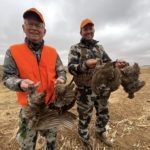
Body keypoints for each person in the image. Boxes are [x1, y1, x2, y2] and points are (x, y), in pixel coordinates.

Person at [2, 8, 66, 150]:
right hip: (29, 109)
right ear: (23, 28)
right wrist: (20, 83)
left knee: (51, 143)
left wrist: (61, 80)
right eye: (30, 24)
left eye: (38, 25)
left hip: (51, 107)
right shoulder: (13, 51)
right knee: (26, 145)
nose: (34, 28)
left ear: (44, 31)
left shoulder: (53, 52)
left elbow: (62, 71)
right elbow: (7, 77)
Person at [68, 18, 126, 147]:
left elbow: (109, 63)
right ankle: (84, 137)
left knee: (103, 114)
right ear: (81, 32)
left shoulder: (100, 48)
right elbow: (71, 68)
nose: (88, 31)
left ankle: (100, 132)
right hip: (84, 91)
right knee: (84, 116)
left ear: (93, 30)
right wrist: (85, 65)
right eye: (85, 29)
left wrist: (117, 64)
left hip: (102, 89)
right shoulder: (75, 48)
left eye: (90, 28)